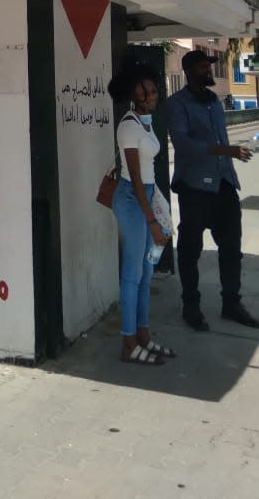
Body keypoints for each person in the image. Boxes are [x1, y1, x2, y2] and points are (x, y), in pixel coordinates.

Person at [168, 48, 258, 331]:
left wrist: (227, 158)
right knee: (190, 250)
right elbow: (183, 144)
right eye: (204, 67)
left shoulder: (215, 102)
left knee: (232, 249)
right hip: (194, 188)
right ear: (189, 71)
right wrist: (225, 150)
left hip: (224, 185)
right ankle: (191, 306)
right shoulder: (177, 104)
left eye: (209, 66)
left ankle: (231, 303)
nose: (209, 70)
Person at [108, 58, 174, 365]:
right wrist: (152, 221)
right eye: (144, 90)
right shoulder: (127, 126)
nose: (151, 94)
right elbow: (135, 179)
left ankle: (144, 337)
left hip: (146, 197)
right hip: (134, 202)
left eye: (152, 88)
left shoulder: (145, 121)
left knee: (147, 273)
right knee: (132, 274)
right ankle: (128, 343)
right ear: (133, 94)